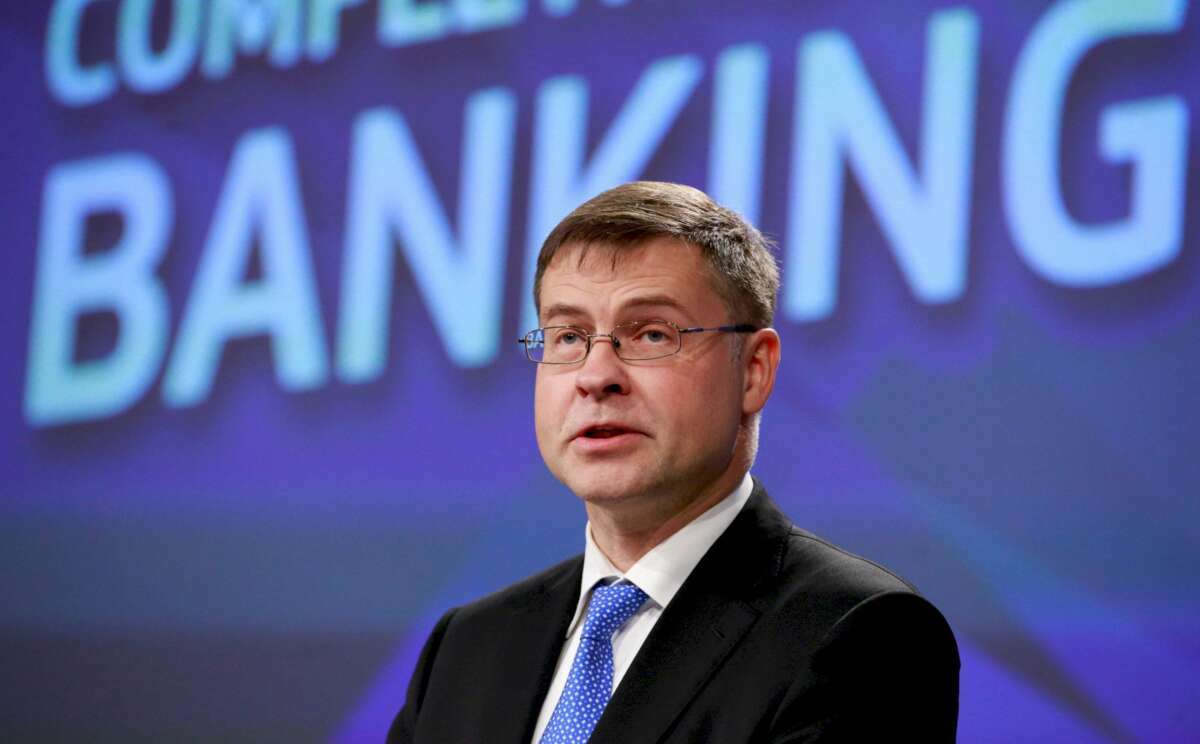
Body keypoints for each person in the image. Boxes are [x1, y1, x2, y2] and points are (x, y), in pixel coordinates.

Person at [388, 182, 960, 743]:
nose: (596, 376)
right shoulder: (467, 647)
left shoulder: (860, 635)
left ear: (754, 370)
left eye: (652, 334)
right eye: (568, 336)